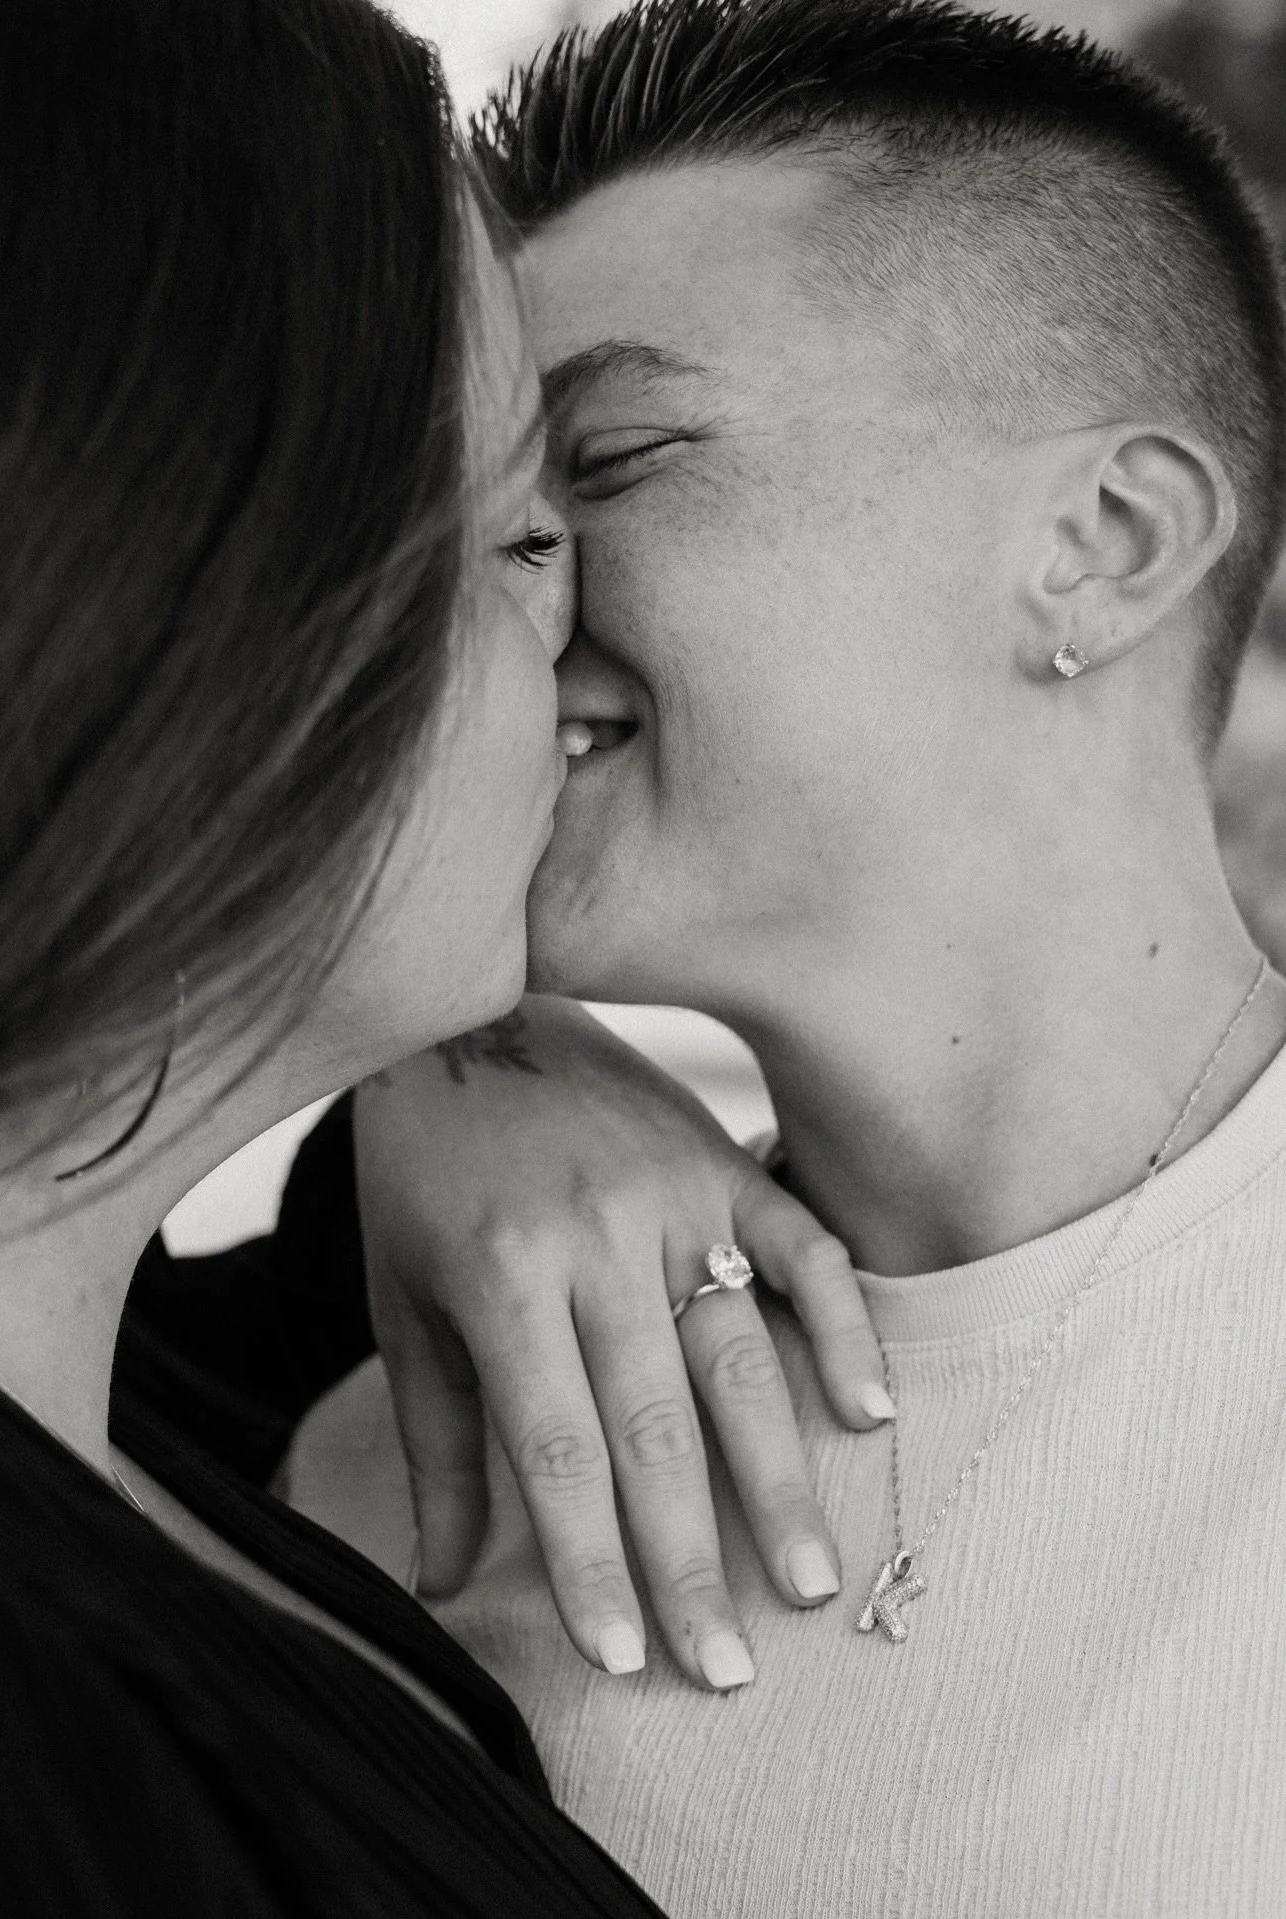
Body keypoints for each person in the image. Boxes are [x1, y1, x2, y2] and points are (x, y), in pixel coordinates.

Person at [0, 1, 864, 1909]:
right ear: (185, 628)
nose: (574, 664)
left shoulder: (116, 1390)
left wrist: (465, 1063)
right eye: (522, 539)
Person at [288, 1, 1286, 1913]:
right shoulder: (404, 1454)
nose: (487, 599)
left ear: (1105, 539)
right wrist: (449, 1048)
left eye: (613, 456)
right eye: (466, 513)